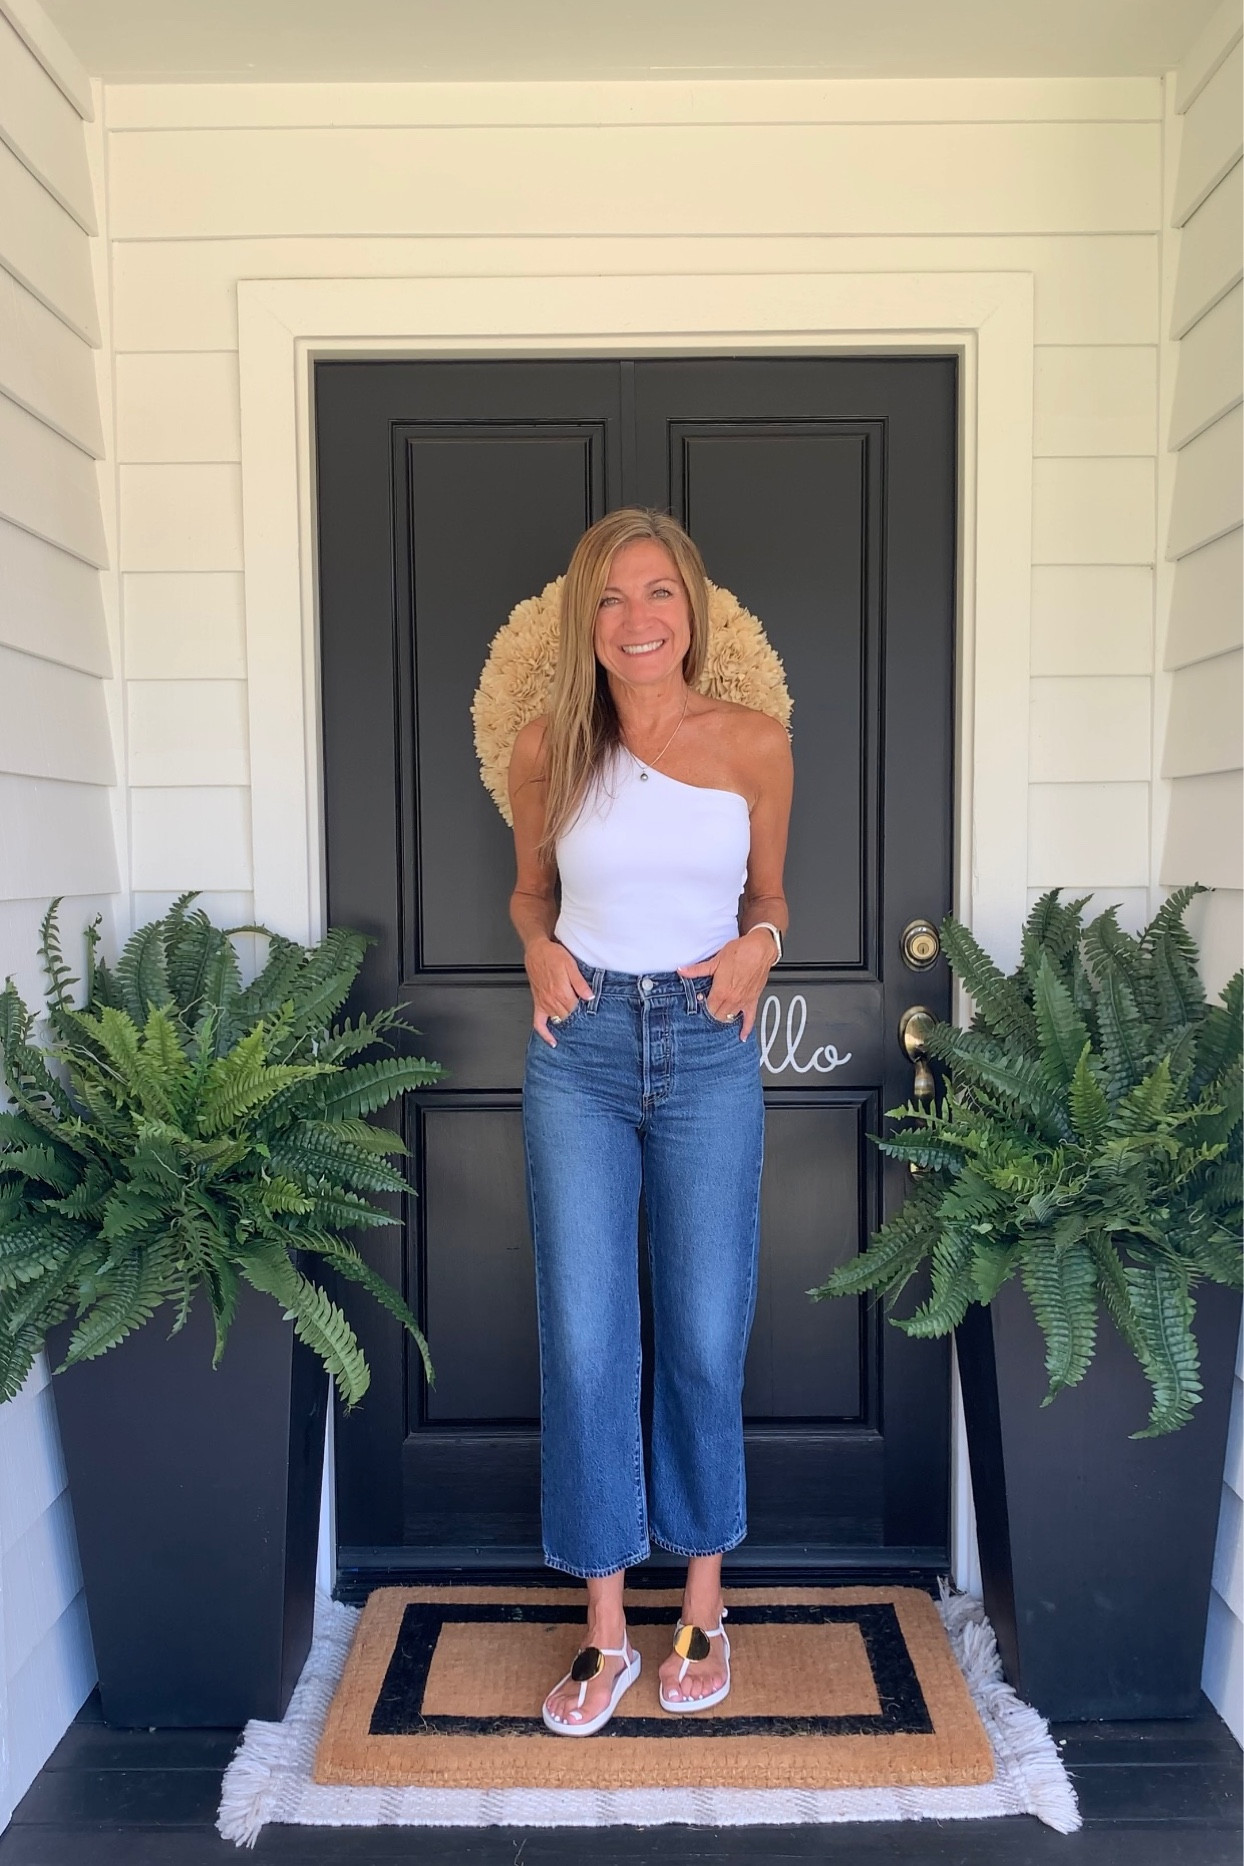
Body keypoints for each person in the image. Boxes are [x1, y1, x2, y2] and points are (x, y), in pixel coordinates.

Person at [508, 508, 793, 1736]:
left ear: (693, 608)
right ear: (586, 619)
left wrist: (760, 950)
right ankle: (606, 1628)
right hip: (574, 1053)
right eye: (612, 599)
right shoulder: (545, 749)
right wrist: (533, 953)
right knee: (583, 1342)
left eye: (658, 592)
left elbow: (768, 894)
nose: (637, 620)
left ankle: (703, 1603)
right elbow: (530, 893)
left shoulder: (754, 744)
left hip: (706, 1042)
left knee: (703, 1331)